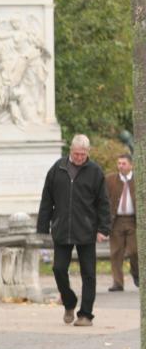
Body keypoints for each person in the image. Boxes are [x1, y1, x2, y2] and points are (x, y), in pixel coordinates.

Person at [37, 134, 110, 326]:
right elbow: (47, 200)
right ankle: (69, 302)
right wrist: (42, 228)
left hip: (86, 229)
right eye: (77, 154)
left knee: (89, 273)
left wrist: (104, 228)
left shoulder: (95, 172)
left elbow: (103, 202)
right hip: (62, 228)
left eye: (83, 154)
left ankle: (85, 314)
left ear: (88, 152)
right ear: (70, 151)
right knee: (58, 269)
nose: (79, 158)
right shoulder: (57, 169)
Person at [105, 153, 138, 291]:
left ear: (131, 165)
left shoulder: (139, 180)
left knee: (135, 251)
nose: (121, 166)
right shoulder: (110, 179)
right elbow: (104, 199)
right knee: (116, 252)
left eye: (124, 163)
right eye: (119, 163)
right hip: (116, 220)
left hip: (133, 221)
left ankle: (137, 274)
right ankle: (118, 283)